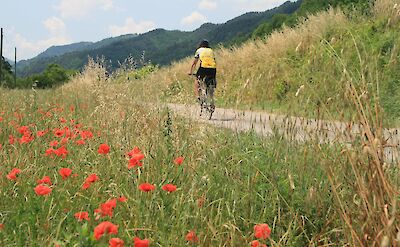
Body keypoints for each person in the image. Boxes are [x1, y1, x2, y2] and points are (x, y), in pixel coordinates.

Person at [188, 39, 217, 105]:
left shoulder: (199, 50)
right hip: (213, 68)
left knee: (197, 80)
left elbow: (194, 63)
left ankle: (198, 97)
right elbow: (214, 60)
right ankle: (211, 98)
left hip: (203, 67)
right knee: (211, 82)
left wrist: (190, 71)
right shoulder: (211, 50)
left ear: (200, 45)